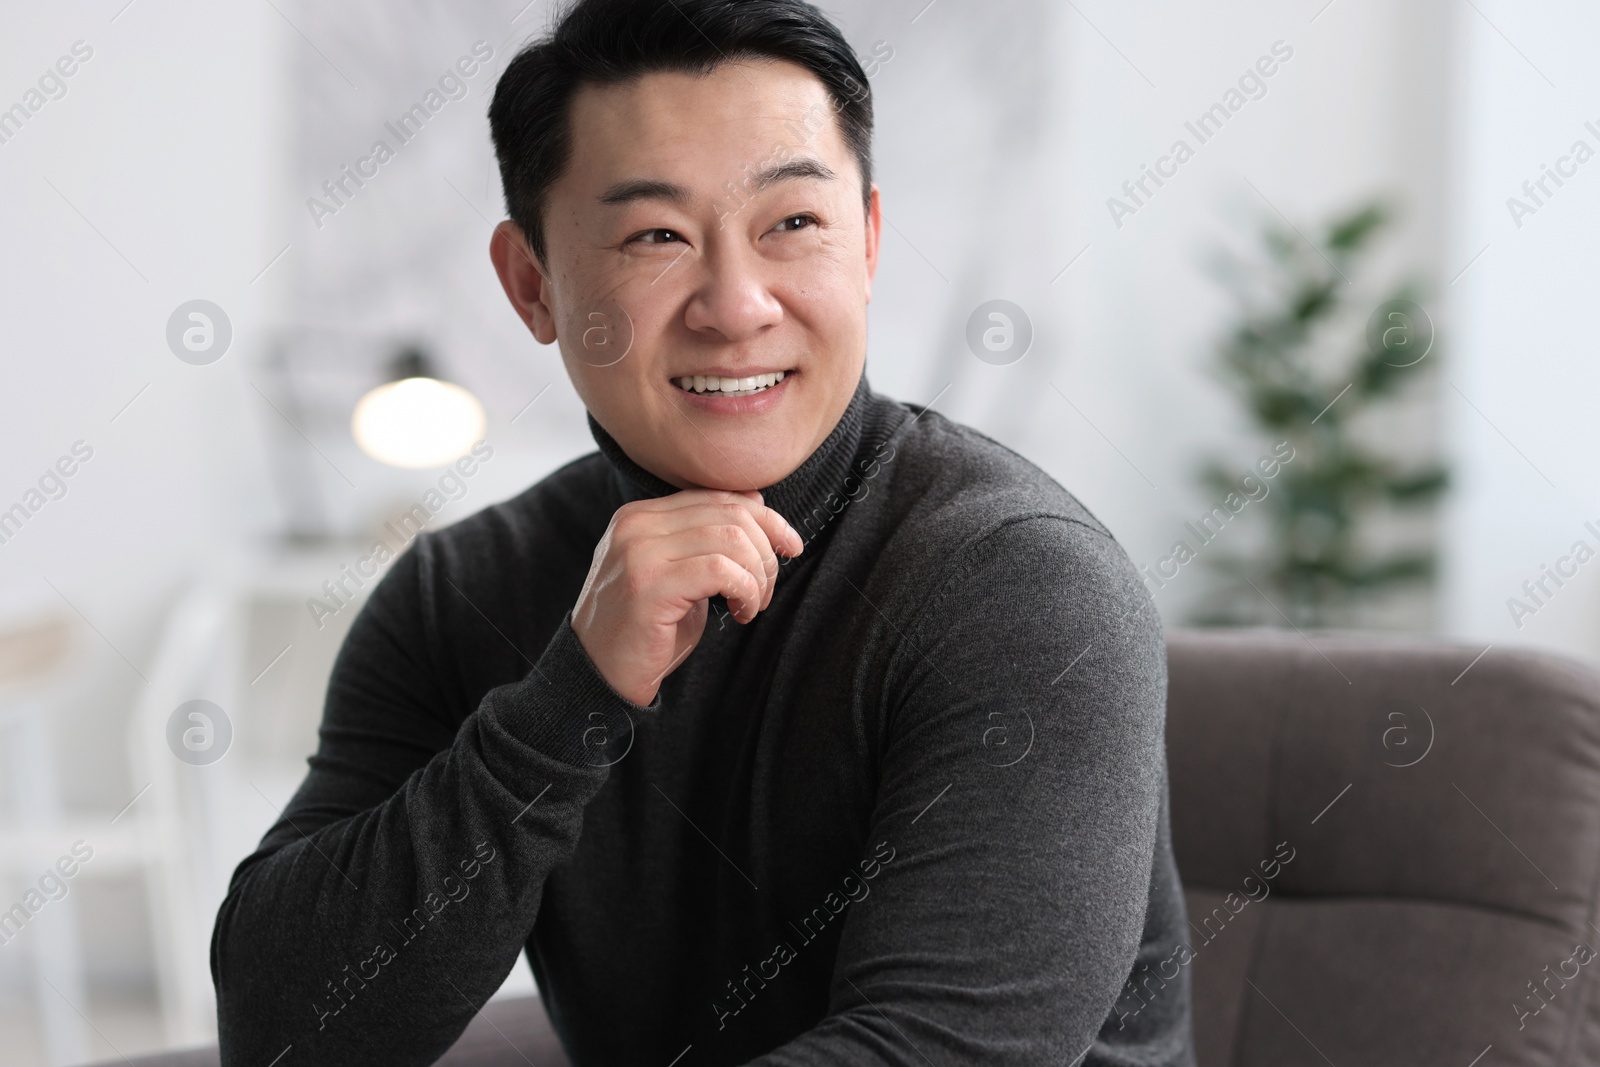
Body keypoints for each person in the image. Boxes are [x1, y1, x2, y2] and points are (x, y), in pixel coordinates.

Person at [211, 0, 1195, 1063]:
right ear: (531, 283)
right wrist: (568, 700)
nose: (735, 304)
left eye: (792, 224)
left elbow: (934, 1048)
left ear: (866, 242)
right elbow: (281, 1031)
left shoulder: (1021, 582)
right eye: (656, 236)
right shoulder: (464, 588)